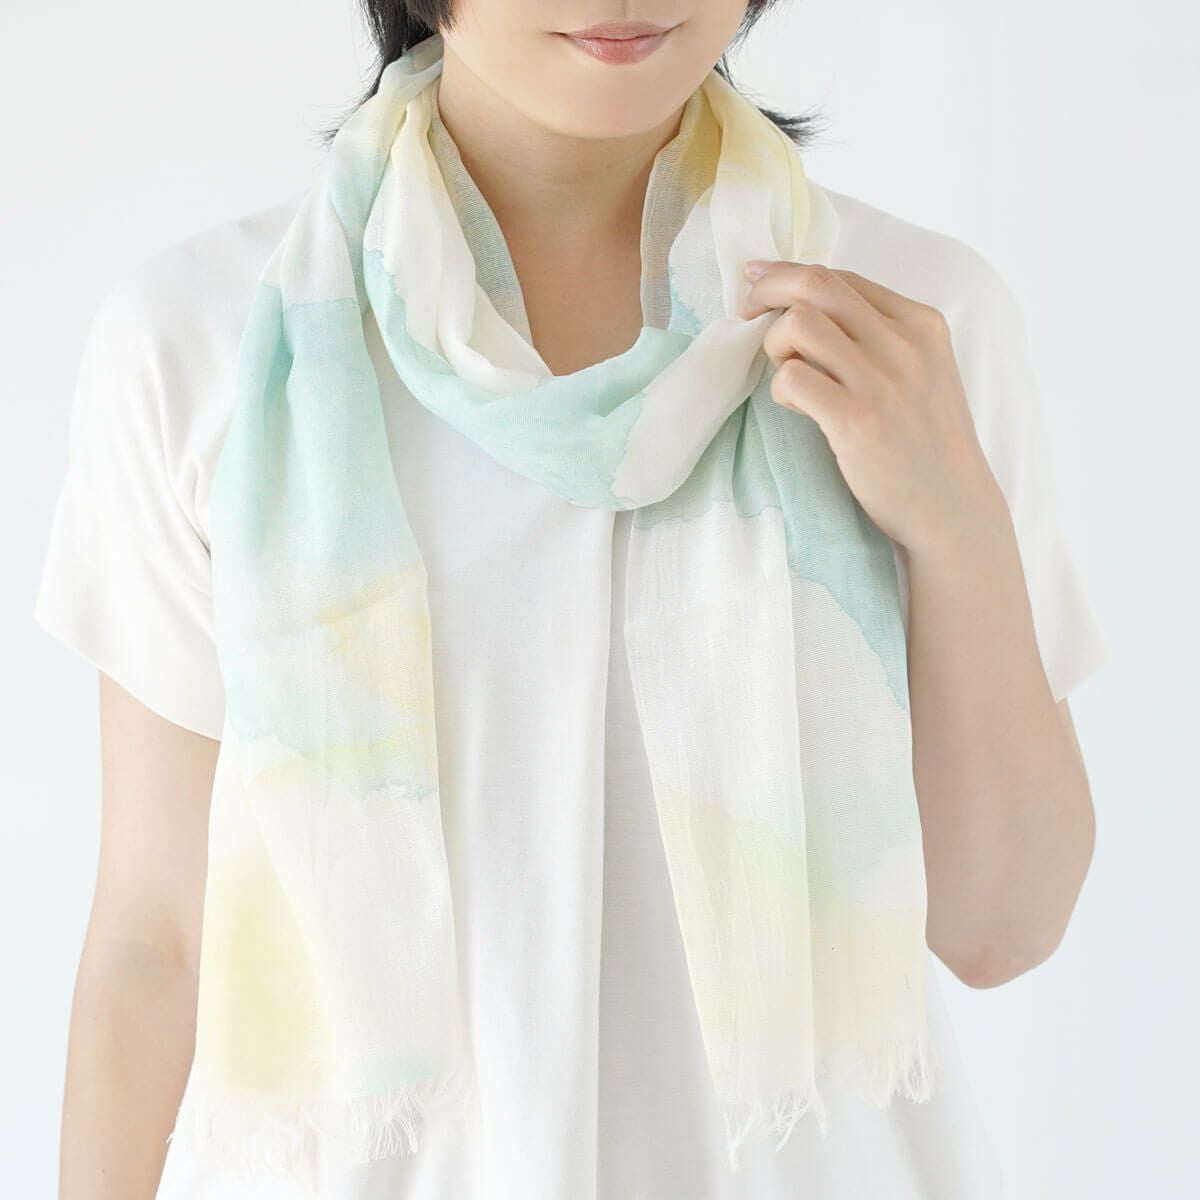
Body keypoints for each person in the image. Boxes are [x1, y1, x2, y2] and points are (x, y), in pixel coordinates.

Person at [32, 2, 1110, 1198]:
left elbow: (1004, 927)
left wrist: (954, 526)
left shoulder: (908, 325)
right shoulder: (212, 347)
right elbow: (156, 944)